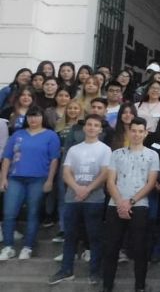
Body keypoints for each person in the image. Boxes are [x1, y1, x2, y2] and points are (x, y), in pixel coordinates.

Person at [48, 114, 112, 284]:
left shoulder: (105, 149)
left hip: (95, 199)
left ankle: (95, 272)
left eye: (95, 125)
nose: (91, 128)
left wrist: (88, 189)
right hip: (73, 198)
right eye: (89, 124)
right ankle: (66, 270)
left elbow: (105, 173)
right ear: (84, 128)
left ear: (100, 129)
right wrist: (77, 188)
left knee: (94, 237)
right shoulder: (74, 149)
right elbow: (66, 172)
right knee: (70, 236)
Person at [102, 117, 159, 292]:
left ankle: (140, 286)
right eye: (133, 130)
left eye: (140, 131)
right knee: (111, 248)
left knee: (140, 249)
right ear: (129, 131)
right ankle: (107, 286)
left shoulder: (152, 155)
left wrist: (131, 202)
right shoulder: (117, 154)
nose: (136, 134)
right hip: (115, 205)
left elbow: (151, 183)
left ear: (145, 133)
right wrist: (121, 203)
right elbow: (110, 181)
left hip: (140, 205)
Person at [0, 106, 60, 261]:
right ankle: (8, 247)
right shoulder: (18, 134)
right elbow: (7, 157)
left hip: (38, 178)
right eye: (30, 116)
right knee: (9, 213)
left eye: (37, 116)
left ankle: (28, 247)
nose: (33, 119)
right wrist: (3, 178)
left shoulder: (51, 135)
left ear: (42, 118)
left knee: (33, 213)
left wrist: (50, 180)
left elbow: (54, 159)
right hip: (15, 178)